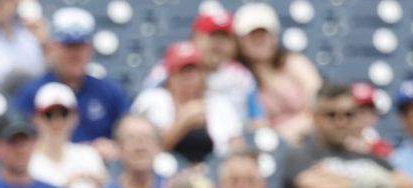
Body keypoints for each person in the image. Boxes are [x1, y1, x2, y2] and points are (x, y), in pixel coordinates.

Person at [282, 82, 413, 188]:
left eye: (348, 115)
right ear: (315, 117)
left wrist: (333, 177)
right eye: (331, 115)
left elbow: (406, 185)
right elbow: (317, 187)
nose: (341, 122)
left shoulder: (369, 156)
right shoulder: (300, 154)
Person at [13, 7, 128, 156]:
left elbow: (128, 134)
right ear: (52, 47)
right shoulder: (31, 93)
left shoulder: (110, 92)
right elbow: (17, 141)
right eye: (68, 47)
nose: (74, 55)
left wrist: (115, 147)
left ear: (90, 49)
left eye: (80, 47)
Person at [141, 5, 262, 132]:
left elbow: (258, 119)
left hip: (228, 140)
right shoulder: (170, 66)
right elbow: (147, 100)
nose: (218, 43)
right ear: (196, 37)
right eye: (212, 36)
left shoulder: (241, 76)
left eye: (225, 37)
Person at [131, 40, 243, 162]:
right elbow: (150, 150)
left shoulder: (220, 104)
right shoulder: (153, 100)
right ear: (171, 76)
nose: (189, 77)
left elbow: (237, 147)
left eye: (194, 71)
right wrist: (184, 121)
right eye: (183, 71)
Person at [234, 2, 321, 147]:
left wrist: (296, 127)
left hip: (309, 140)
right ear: (240, 41)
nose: (259, 40)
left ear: (274, 36)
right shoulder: (237, 76)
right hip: (267, 148)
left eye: (264, 34)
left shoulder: (295, 63)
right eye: (252, 35)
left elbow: (319, 104)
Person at [29, 82, 107, 188]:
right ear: (36, 119)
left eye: (63, 114)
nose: (57, 122)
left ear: (75, 118)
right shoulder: (28, 161)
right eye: (49, 115)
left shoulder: (89, 155)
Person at [99, 115, 168, 188]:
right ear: (118, 148)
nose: (140, 147)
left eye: (146, 138)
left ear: (158, 146)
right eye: (131, 139)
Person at [347, 82, 392, 159]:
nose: (359, 116)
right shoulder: (330, 143)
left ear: (375, 116)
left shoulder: (381, 148)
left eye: (365, 110)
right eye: (353, 110)